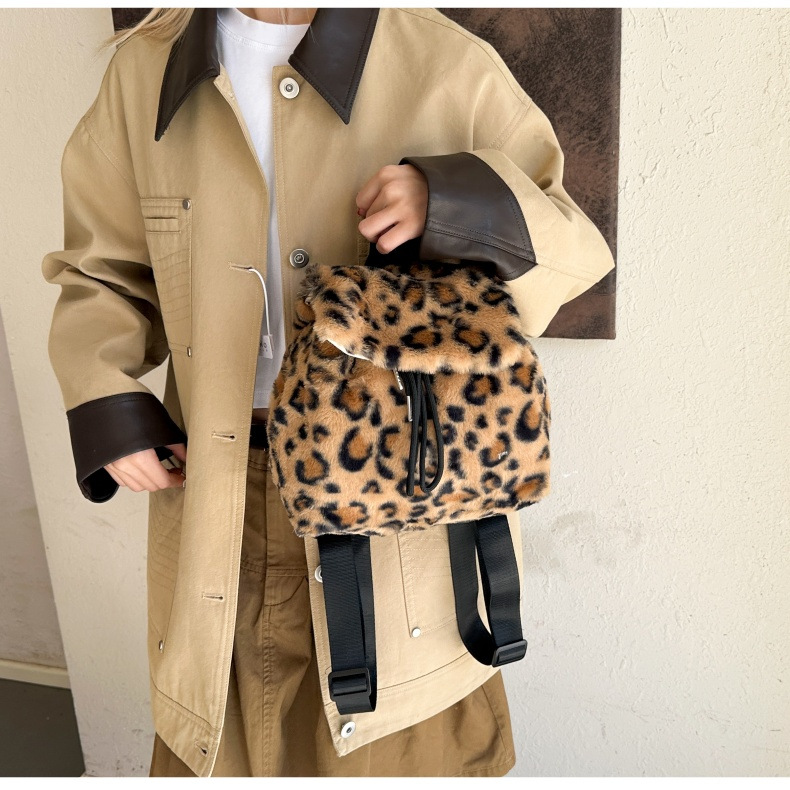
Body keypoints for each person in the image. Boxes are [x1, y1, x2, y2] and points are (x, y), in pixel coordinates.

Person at [41, 6, 615, 777]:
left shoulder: (447, 64)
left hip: (398, 503)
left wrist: (449, 204)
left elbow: (572, 249)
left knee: (392, 751)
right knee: (221, 741)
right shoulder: (144, 71)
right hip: (215, 500)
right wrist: (104, 394)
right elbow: (100, 270)